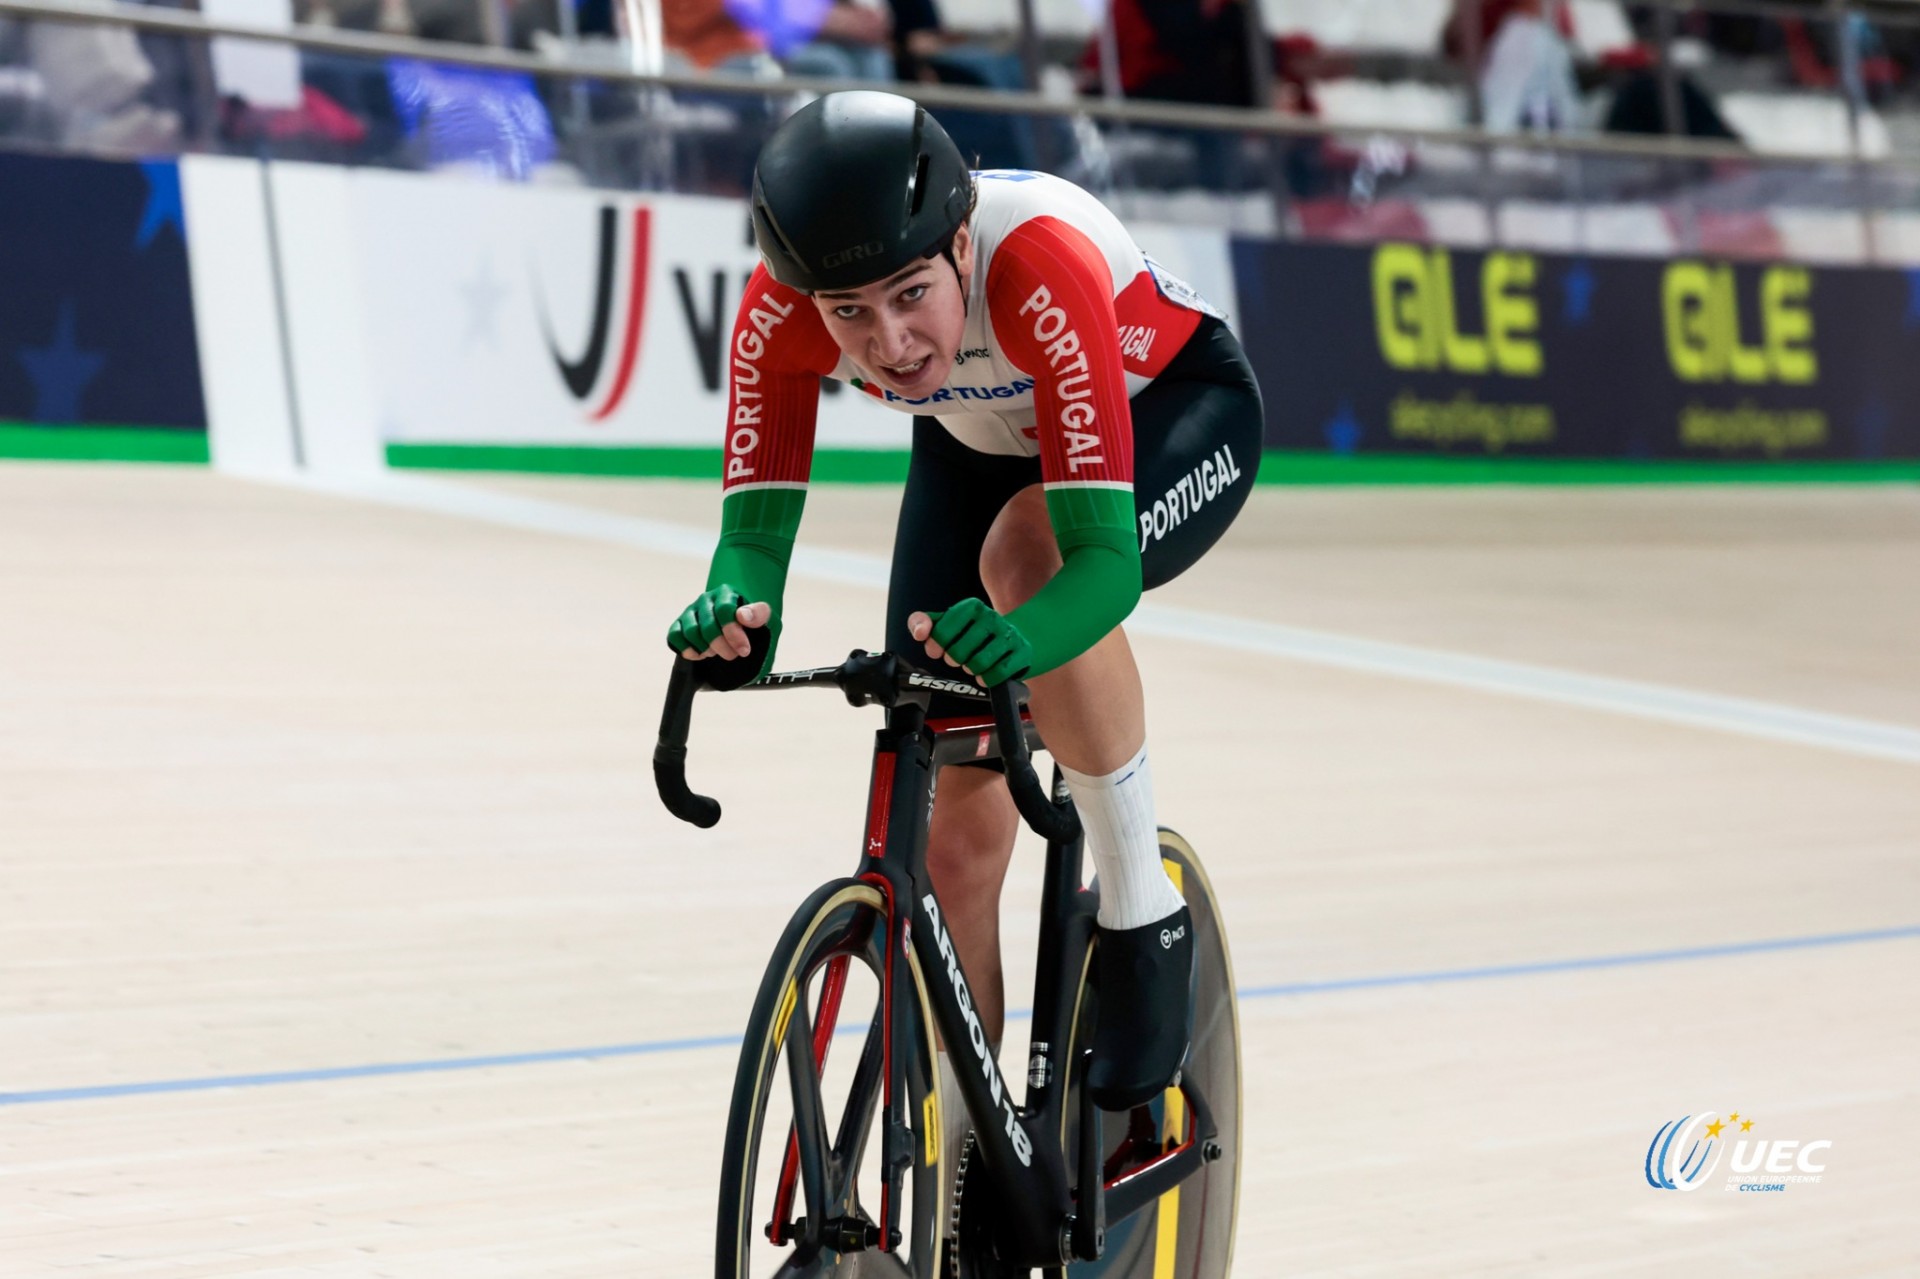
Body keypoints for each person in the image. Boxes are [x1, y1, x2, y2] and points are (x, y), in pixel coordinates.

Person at [666, 91, 1263, 1114]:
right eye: (848, 313)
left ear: (957, 245)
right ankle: (963, 1165)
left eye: (909, 294)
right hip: (976, 442)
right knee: (944, 838)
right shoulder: (779, 310)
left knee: (1030, 555)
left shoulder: (1035, 271)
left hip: (1172, 410)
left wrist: (1022, 640)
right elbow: (753, 543)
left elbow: (1102, 570)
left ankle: (1137, 908)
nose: (889, 342)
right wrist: (734, 611)